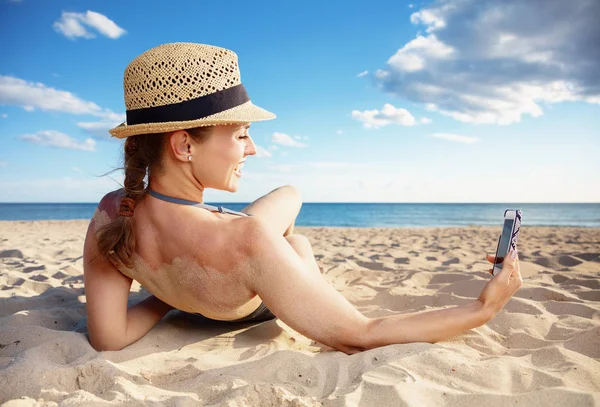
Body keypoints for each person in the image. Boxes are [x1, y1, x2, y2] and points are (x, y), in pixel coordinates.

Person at [83, 42, 523, 354]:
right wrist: (484, 307)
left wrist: (167, 296)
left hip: (203, 263)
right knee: (296, 243)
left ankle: (290, 257)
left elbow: (108, 338)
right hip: (240, 276)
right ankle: (299, 265)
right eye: (241, 135)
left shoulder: (111, 214)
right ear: (184, 146)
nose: (252, 149)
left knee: (289, 194)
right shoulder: (247, 240)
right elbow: (361, 334)